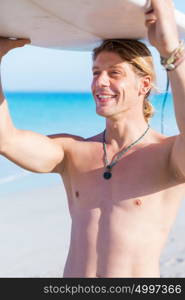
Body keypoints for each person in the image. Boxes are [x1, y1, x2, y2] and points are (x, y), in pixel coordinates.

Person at [0, 0, 185, 278]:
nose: (100, 83)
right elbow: (6, 140)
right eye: (96, 73)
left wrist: (171, 53)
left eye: (114, 73)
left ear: (144, 85)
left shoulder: (167, 155)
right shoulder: (71, 152)